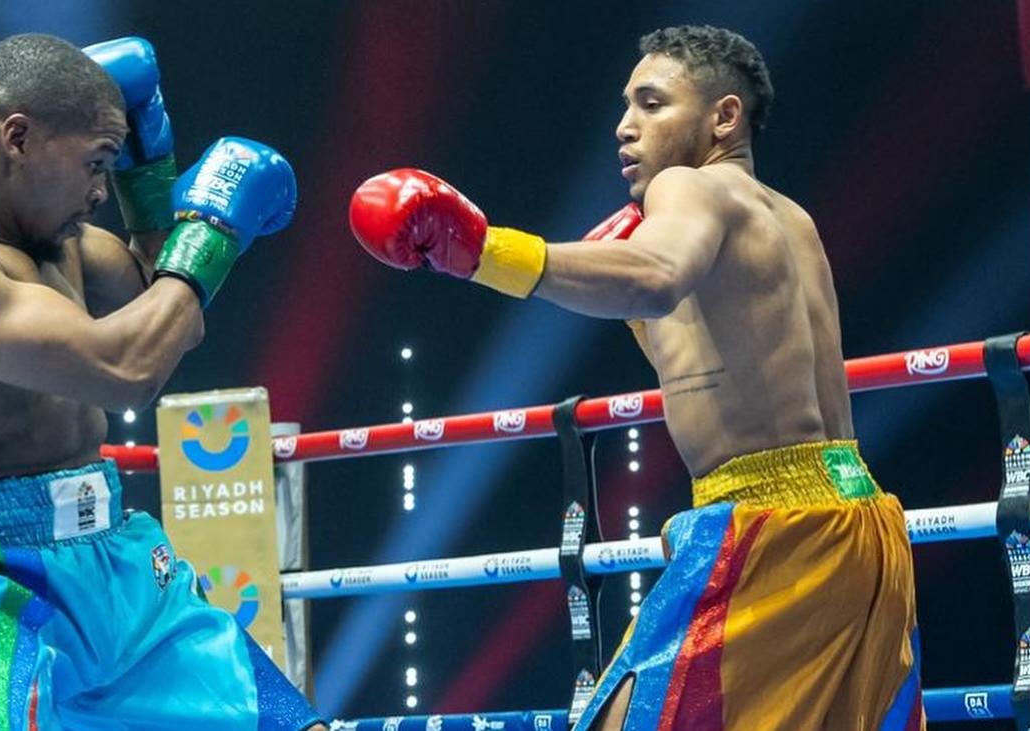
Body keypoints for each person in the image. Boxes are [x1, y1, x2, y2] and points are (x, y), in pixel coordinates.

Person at [349, 25, 923, 730]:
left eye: (652, 104)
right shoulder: (790, 217)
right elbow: (725, 374)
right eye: (625, 106)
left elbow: (653, 276)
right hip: (859, 520)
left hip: (770, 531)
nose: (625, 127)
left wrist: (483, 251)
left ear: (723, 117)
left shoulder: (691, 187)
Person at [0, 33, 322, 731]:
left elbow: (169, 319)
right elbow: (125, 369)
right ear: (17, 137)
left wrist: (150, 180)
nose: (101, 191)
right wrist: (215, 232)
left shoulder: (61, 243)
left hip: (114, 557)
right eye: (96, 164)